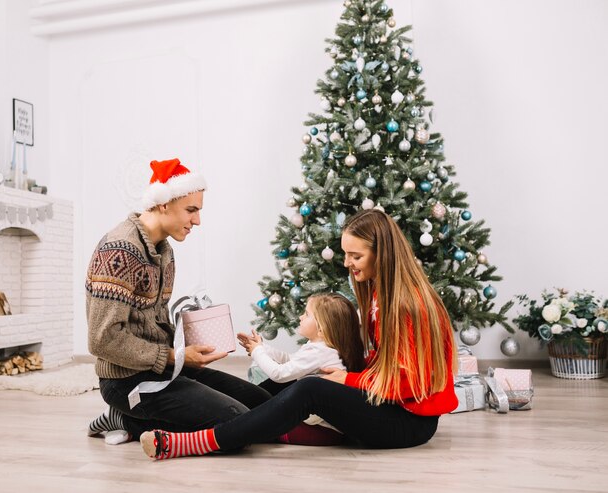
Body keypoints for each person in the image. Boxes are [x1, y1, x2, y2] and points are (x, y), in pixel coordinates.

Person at [139, 209, 459, 459]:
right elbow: (377, 362)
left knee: (309, 389)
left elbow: (410, 384)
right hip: (384, 402)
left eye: (356, 256)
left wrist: (346, 380)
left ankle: (199, 443)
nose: (347, 263)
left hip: (408, 422)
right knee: (288, 381)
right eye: (346, 254)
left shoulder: (408, 306)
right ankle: (169, 422)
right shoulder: (380, 295)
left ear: (383, 255)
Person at [86, 158, 271, 445]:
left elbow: (154, 320)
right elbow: (102, 340)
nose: (197, 220)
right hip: (126, 382)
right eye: (191, 210)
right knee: (240, 422)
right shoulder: (120, 251)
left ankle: (136, 418)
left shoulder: (164, 250)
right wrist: (175, 357)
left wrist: (190, 346)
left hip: (161, 368)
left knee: (261, 404)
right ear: (163, 204)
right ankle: (126, 419)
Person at [239, 292, 365, 445]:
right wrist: (262, 347)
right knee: (263, 416)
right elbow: (291, 361)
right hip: (322, 427)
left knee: (263, 426)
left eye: (306, 314)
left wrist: (257, 352)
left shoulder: (319, 352)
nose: (300, 317)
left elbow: (279, 374)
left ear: (321, 329)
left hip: (321, 431)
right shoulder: (322, 347)